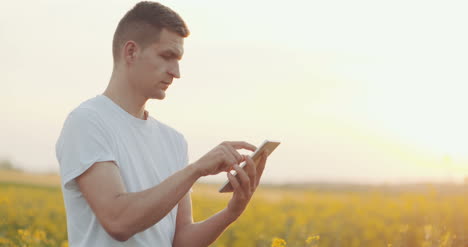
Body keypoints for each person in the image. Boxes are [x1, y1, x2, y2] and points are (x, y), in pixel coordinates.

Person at [55, 1, 268, 247]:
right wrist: (195, 170)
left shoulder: (174, 141)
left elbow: (180, 240)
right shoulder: (87, 122)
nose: (176, 72)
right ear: (131, 52)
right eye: (167, 56)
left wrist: (232, 211)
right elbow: (118, 221)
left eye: (178, 60)